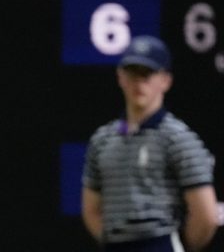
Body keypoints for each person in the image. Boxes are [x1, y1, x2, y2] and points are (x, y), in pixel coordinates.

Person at [81, 35, 219, 252]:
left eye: (148, 74)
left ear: (165, 80)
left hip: (160, 243)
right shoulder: (102, 141)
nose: (139, 82)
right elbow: (91, 209)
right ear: (120, 77)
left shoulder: (179, 138)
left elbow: (206, 215)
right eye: (133, 73)